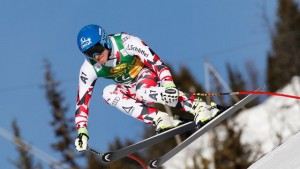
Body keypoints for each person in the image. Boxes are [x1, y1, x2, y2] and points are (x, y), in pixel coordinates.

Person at [74, 24, 221, 152]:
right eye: (89, 53)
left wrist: (168, 85)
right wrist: (82, 131)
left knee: (143, 91)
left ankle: (199, 106)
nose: (96, 56)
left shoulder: (126, 42)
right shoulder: (89, 68)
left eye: (97, 49)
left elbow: (157, 64)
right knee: (108, 93)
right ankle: (160, 118)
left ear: (105, 40)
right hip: (129, 87)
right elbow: (82, 102)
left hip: (147, 76)